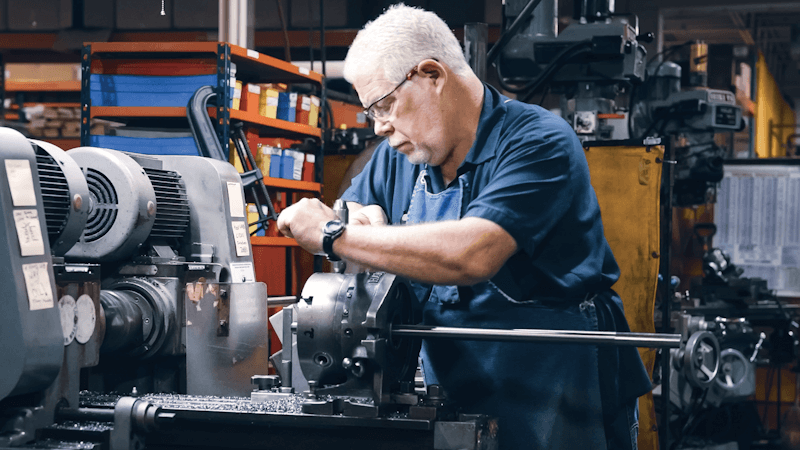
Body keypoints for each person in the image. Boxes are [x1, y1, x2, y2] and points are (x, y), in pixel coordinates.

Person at [277, 4, 652, 449]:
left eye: (385, 105)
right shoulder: (399, 157)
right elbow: (354, 209)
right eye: (371, 112)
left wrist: (335, 236)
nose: (381, 127)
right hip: (453, 387)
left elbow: (473, 254)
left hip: (559, 384)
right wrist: (352, 219)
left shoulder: (538, 141)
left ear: (432, 75)